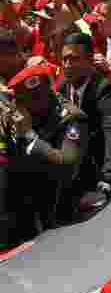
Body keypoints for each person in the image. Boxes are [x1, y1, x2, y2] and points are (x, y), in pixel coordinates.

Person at [6, 63, 89, 233]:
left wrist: (29, 135)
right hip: (28, 207)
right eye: (27, 99)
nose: (37, 101)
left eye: (39, 95)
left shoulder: (71, 119)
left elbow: (67, 165)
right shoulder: (19, 115)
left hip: (66, 210)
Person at [58, 32, 111, 211]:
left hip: (99, 174)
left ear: (90, 60)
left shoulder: (103, 89)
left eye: (74, 59)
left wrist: (107, 178)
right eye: (64, 59)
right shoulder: (62, 87)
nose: (67, 65)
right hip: (73, 172)